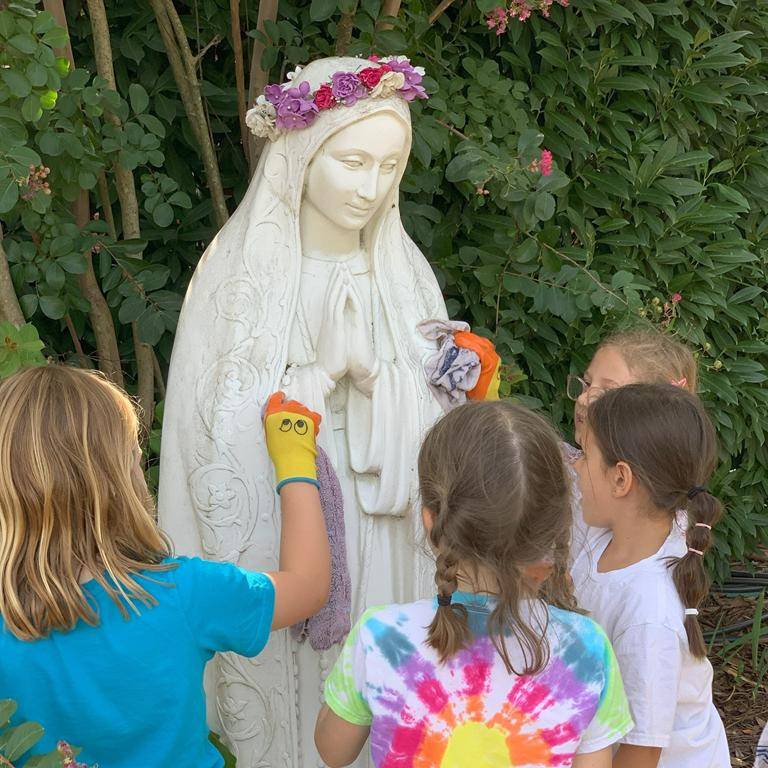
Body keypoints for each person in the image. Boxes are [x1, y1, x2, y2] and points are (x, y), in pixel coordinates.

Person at [158, 56, 448, 764]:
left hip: (385, 531)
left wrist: (377, 377)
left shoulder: (406, 279)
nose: (369, 186)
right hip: (283, 526)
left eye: (388, 167)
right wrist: (319, 377)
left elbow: (445, 435)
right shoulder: (233, 279)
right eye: (351, 161)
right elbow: (213, 430)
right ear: (302, 156)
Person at [0, 365, 329, 768]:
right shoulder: (182, 594)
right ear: (118, 483)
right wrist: (295, 458)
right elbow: (308, 585)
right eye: (135, 459)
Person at [315, 400, 634, 768]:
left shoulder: (381, 639)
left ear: (432, 522)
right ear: (555, 528)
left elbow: (331, 751)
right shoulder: (587, 650)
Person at [572, 383, 730, 767]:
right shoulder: (618, 531)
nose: (575, 464)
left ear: (621, 480)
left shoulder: (650, 617)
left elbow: (641, 753)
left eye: (586, 455)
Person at [565, 327, 698, 563]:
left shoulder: (651, 524)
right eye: (586, 383)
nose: (583, 398)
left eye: (607, 392)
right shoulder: (570, 461)